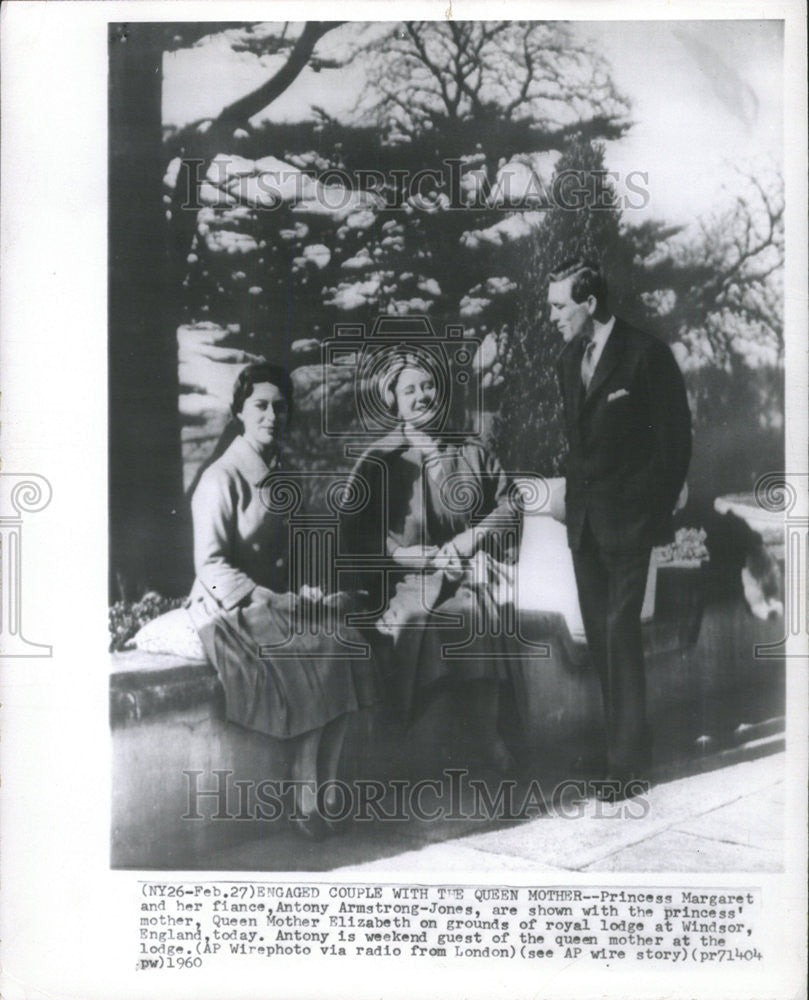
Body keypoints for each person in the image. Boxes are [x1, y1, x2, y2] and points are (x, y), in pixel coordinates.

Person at [188, 362, 375, 839]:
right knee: (308, 647)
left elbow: (292, 555)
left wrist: (307, 591)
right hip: (227, 606)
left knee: (345, 637)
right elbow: (209, 566)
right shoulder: (220, 478)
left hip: (271, 602)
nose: (272, 415)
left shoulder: (280, 475)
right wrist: (267, 598)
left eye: (279, 406)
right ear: (239, 412)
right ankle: (304, 784)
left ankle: (328, 783)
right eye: (260, 406)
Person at [548, 258, 692, 800]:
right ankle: (623, 748)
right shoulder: (568, 360)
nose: (553, 318)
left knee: (620, 634)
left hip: (630, 526)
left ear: (590, 303)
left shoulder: (646, 354)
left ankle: (627, 766)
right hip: (584, 526)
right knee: (603, 642)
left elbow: (675, 444)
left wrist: (649, 516)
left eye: (559, 306)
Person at [344, 347, 522, 773]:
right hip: (402, 583)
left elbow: (510, 506)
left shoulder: (471, 451)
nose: (421, 396)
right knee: (413, 622)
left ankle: (487, 736)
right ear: (395, 402)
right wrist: (403, 555)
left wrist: (470, 540)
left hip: (460, 576)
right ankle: (400, 743)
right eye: (410, 390)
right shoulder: (378, 461)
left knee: (474, 610)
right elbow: (355, 533)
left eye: (427, 387)